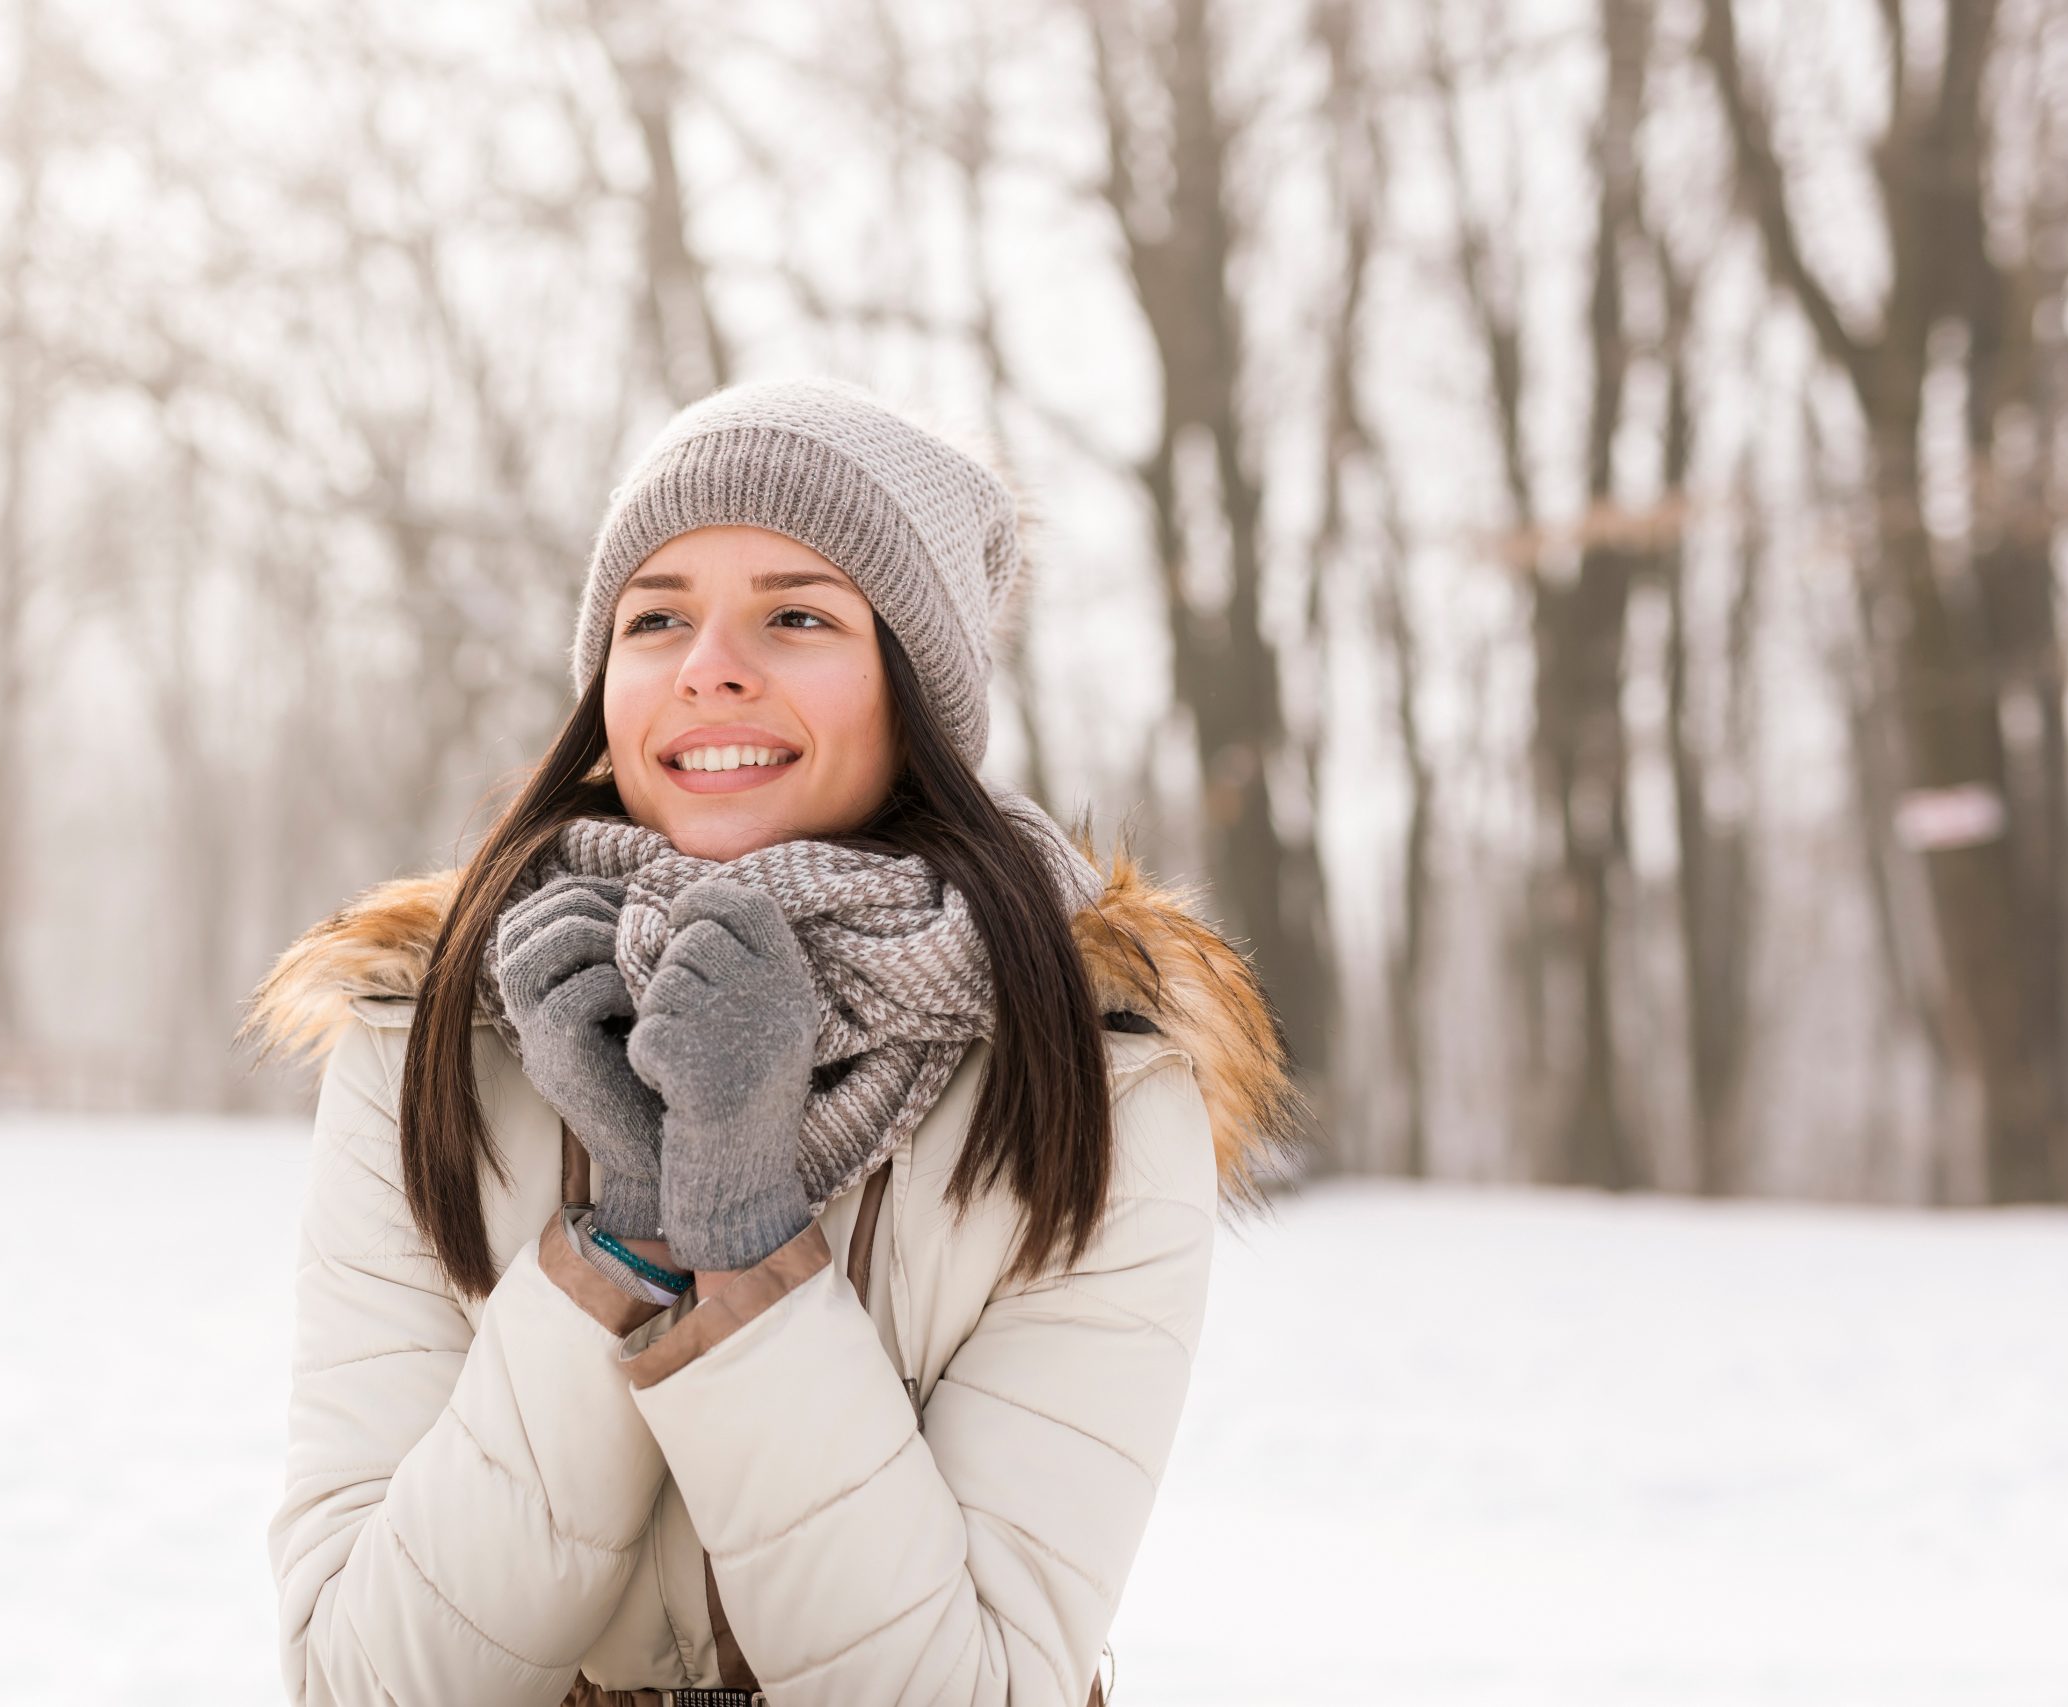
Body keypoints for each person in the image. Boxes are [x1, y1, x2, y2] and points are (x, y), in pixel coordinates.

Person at [241, 376, 1298, 1707]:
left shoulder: (1091, 1080)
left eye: (796, 616)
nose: (709, 667)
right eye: (658, 618)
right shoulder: (432, 1040)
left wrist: (742, 1233)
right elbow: (363, 1686)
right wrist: (623, 1240)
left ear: (917, 693)